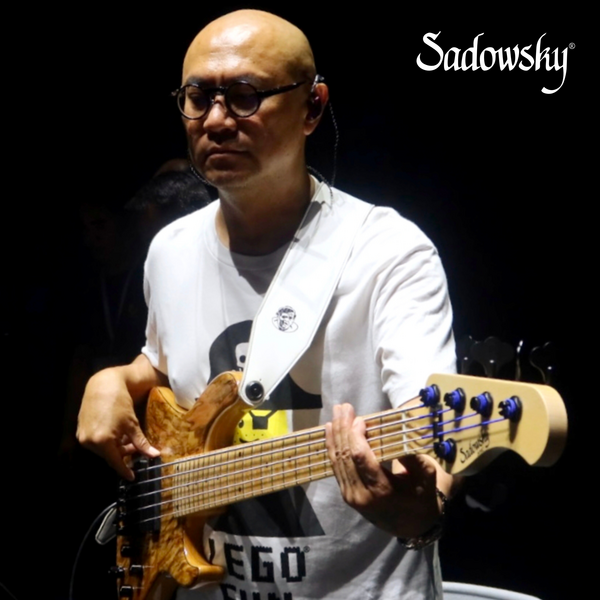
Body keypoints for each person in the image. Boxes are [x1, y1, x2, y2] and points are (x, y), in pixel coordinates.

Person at [77, 9, 457, 599]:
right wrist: (114, 380)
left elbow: (433, 428)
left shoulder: (388, 252)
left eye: (245, 96)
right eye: (198, 98)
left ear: (312, 107)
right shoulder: (170, 249)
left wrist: (421, 512)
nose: (216, 120)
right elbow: (166, 368)